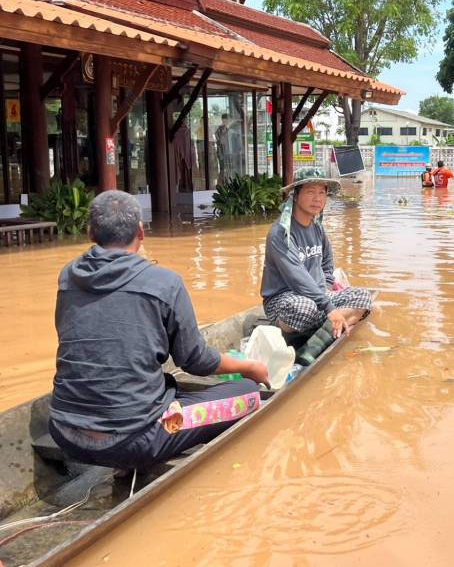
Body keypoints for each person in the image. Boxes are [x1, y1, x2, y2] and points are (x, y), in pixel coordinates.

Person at [49, 190, 270, 471]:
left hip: (64, 432)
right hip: (136, 440)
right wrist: (249, 367)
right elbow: (195, 361)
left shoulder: (67, 277)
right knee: (247, 393)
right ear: (141, 233)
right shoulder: (165, 283)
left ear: (91, 233)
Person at [261, 167, 372, 341]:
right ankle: (324, 330)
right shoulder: (281, 233)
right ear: (295, 196)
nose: (317, 198)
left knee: (363, 296)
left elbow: (327, 261)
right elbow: (297, 277)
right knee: (305, 309)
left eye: (322, 192)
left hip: (318, 296)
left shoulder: (317, 228)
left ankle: (320, 336)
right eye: (310, 192)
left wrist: (326, 286)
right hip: (285, 300)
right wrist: (329, 308)